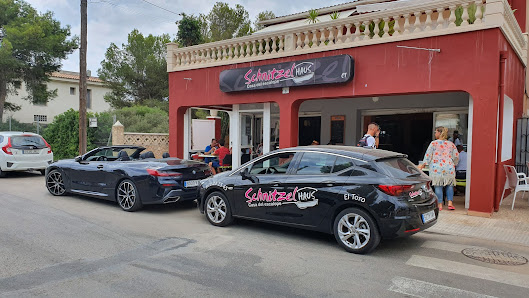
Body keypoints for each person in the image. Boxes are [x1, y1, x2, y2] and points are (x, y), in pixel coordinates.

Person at [418, 126, 459, 211]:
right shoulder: (451, 144)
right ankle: (450, 203)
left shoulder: (434, 143)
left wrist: (423, 164)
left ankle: (440, 205)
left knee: (438, 186)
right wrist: (453, 163)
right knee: (450, 185)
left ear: (439, 133)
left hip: (437, 168)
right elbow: (456, 156)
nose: (435, 134)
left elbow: (428, 155)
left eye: (436, 132)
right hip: (449, 167)